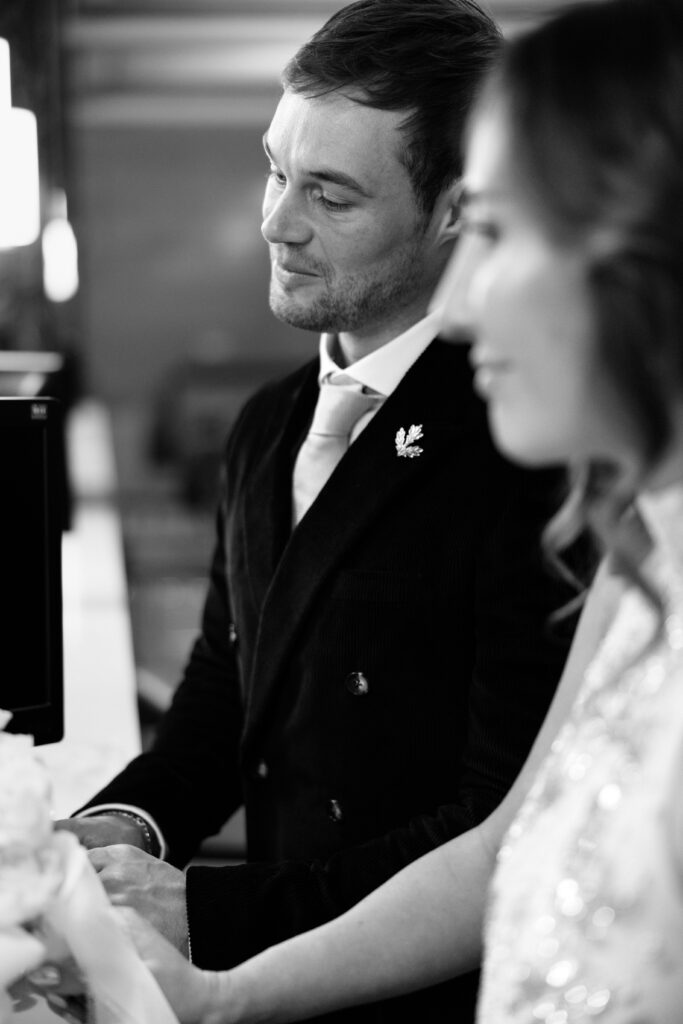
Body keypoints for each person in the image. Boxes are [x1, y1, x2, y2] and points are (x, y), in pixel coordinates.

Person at [104, 0, 683, 1021]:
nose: (275, 221)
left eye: (328, 193)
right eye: (275, 170)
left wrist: (212, 926)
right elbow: (227, 697)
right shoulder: (267, 424)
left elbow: (485, 824)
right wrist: (125, 839)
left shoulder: (537, 458)